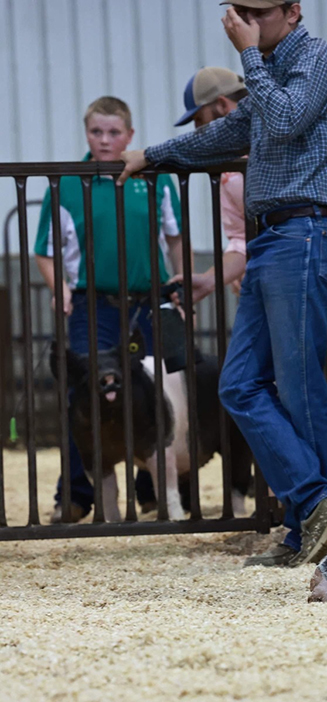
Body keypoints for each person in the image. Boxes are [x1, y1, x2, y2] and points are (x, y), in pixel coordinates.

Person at [119, 0, 327, 568]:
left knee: (298, 388)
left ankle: (314, 528)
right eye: (239, 11)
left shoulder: (318, 60)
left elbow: (283, 119)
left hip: (304, 230)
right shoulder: (273, 68)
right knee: (239, 385)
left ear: (293, 10)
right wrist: (151, 155)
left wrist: (248, 52)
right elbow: (229, 131)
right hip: (275, 238)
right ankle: (317, 503)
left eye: (257, 11)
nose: (244, 21)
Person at [171, 64, 327, 564]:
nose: (205, 132)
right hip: (281, 275)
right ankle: (320, 506)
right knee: (281, 392)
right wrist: (212, 278)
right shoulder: (230, 169)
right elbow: (236, 240)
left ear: (224, 107)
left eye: (204, 119)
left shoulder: (302, 121)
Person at [34, 95, 184, 523]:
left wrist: (180, 282)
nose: (105, 140)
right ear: (86, 134)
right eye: (96, 132)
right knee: (83, 396)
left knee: (156, 392)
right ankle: (77, 494)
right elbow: (44, 250)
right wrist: (58, 285)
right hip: (91, 304)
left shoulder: (155, 179)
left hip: (148, 302)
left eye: (114, 132)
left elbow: (173, 237)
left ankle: (151, 490)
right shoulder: (68, 184)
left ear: (130, 135)